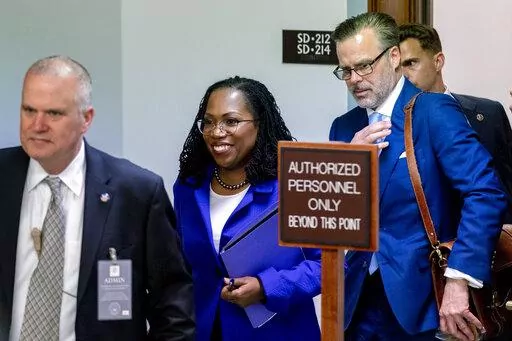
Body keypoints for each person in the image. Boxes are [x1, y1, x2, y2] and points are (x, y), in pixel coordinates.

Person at [328, 12, 508, 341]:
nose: (355, 78)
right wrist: (345, 165)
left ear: (394, 56)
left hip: (428, 299)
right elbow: (333, 216)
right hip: (357, 298)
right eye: (346, 70)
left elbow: (485, 192)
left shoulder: (432, 111)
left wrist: (459, 279)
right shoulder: (344, 126)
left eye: (365, 65)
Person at [0, 55, 195, 341]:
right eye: (29, 110)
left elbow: (174, 303)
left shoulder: (137, 192)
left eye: (53, 114)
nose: (37, 125)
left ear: (86, 118)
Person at [173, 76, 321, 341]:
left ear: (259, 125)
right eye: (208, 122)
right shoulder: (188, 187)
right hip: (205, 330)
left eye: (231, 121)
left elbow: (328, 266)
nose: (217, 132)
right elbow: (181, 267)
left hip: (279, 333)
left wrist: (266, 287)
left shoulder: (292, 184)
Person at [399, 23, 512, 221]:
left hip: (489, 242)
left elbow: (507, 184)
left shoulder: (489, 113)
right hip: (427, 245)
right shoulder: (390, 126)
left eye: (410, 63)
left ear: (438, 61)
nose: (403, 75)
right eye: (397, 68)